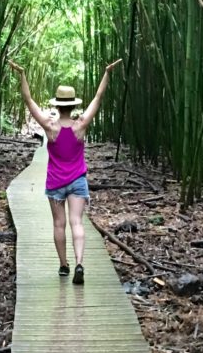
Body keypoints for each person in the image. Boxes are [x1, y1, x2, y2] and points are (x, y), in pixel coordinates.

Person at [7, 59, 123, 284]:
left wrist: (22, 75)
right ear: (73, 105)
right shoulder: (81, 125)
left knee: (59, 225)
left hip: (55, 183)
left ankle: (63, 265)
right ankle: (79, 262)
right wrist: (107, 74)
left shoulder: (50, 127)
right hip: (78, 181)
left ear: (57, 105)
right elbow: (98, 98)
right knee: (77, 223)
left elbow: (28, 100)